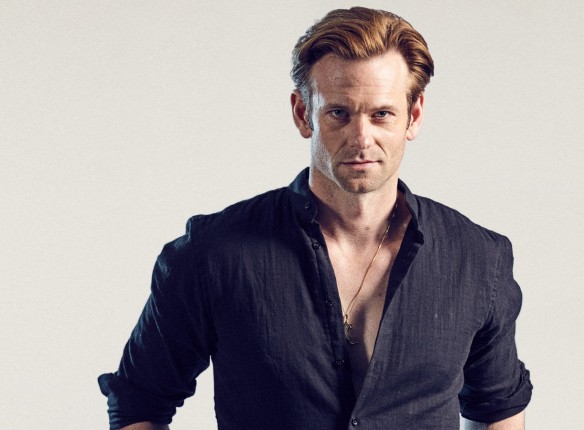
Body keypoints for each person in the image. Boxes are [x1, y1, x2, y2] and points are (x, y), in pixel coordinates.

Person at [99, 7, 532, 430]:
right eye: (339, 113)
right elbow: (139, 399)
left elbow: (498, 405)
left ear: (413, 116)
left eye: (381, 114)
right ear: (303, 113)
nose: (362, 138)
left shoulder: (478, 259)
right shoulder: (214, 253)